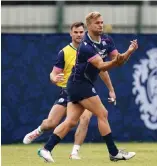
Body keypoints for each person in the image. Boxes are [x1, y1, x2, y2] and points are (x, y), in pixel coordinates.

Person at [37, 11, 138, 163]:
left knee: (71, 121)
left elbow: (119, 60)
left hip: (79, 84)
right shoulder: (85, 46)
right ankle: (114, 153)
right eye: (97, 23)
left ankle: (46, 149)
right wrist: (117, 60)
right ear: (89, 26)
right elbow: (102, 65)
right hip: (79, 84)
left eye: (102, 22)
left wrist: (129, 52)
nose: (101, 25)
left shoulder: (106, 40)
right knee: (102, 113)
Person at [23, 21, 117, 160]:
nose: (79, 35)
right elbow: (53, 73)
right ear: (71, 33)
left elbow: (102, 70)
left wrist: (111, 89)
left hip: (84, 90)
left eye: (81, 32)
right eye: (76, 32)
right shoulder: (64, 52)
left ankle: (74, 152)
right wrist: (54, 79)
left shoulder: (91, 48)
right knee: (52, 122)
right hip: (67, 90)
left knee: (85, 118)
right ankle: (39, 131)